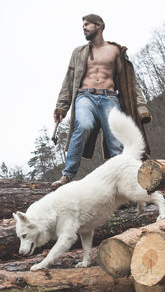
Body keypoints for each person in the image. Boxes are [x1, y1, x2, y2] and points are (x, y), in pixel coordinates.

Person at [52, 14, 151, 187]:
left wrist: (141, 106)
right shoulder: (79, 52)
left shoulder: (115, 51)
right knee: (82, 126)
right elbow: (68, 80)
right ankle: (67, 175)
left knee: (115, 140)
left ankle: (123, 183)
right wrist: (61, 107)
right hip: (85, 96)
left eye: (87, 24)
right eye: (83, 25)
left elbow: (129, 82)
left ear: (99, 26)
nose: (83, 28)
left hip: (109, 98)